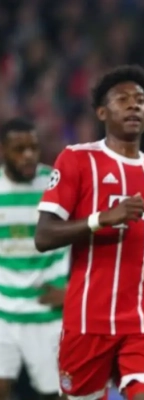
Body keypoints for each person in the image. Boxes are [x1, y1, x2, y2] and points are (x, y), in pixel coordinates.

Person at [34, 65, 144, 400]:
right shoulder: (76, 159)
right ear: (102, 112)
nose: (134, 105)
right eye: (122, 99)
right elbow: (44, 236)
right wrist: (101, 219)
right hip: (88, 319)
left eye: (140, 100)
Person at [0, 118, 68, 400]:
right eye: (19, 149)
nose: (28, 155)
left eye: (33, 148)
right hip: (4, 313)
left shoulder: (55, 183)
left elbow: (81, 238)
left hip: (48, 311)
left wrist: (72, 289)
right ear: (3, 151)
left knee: (56, 393)